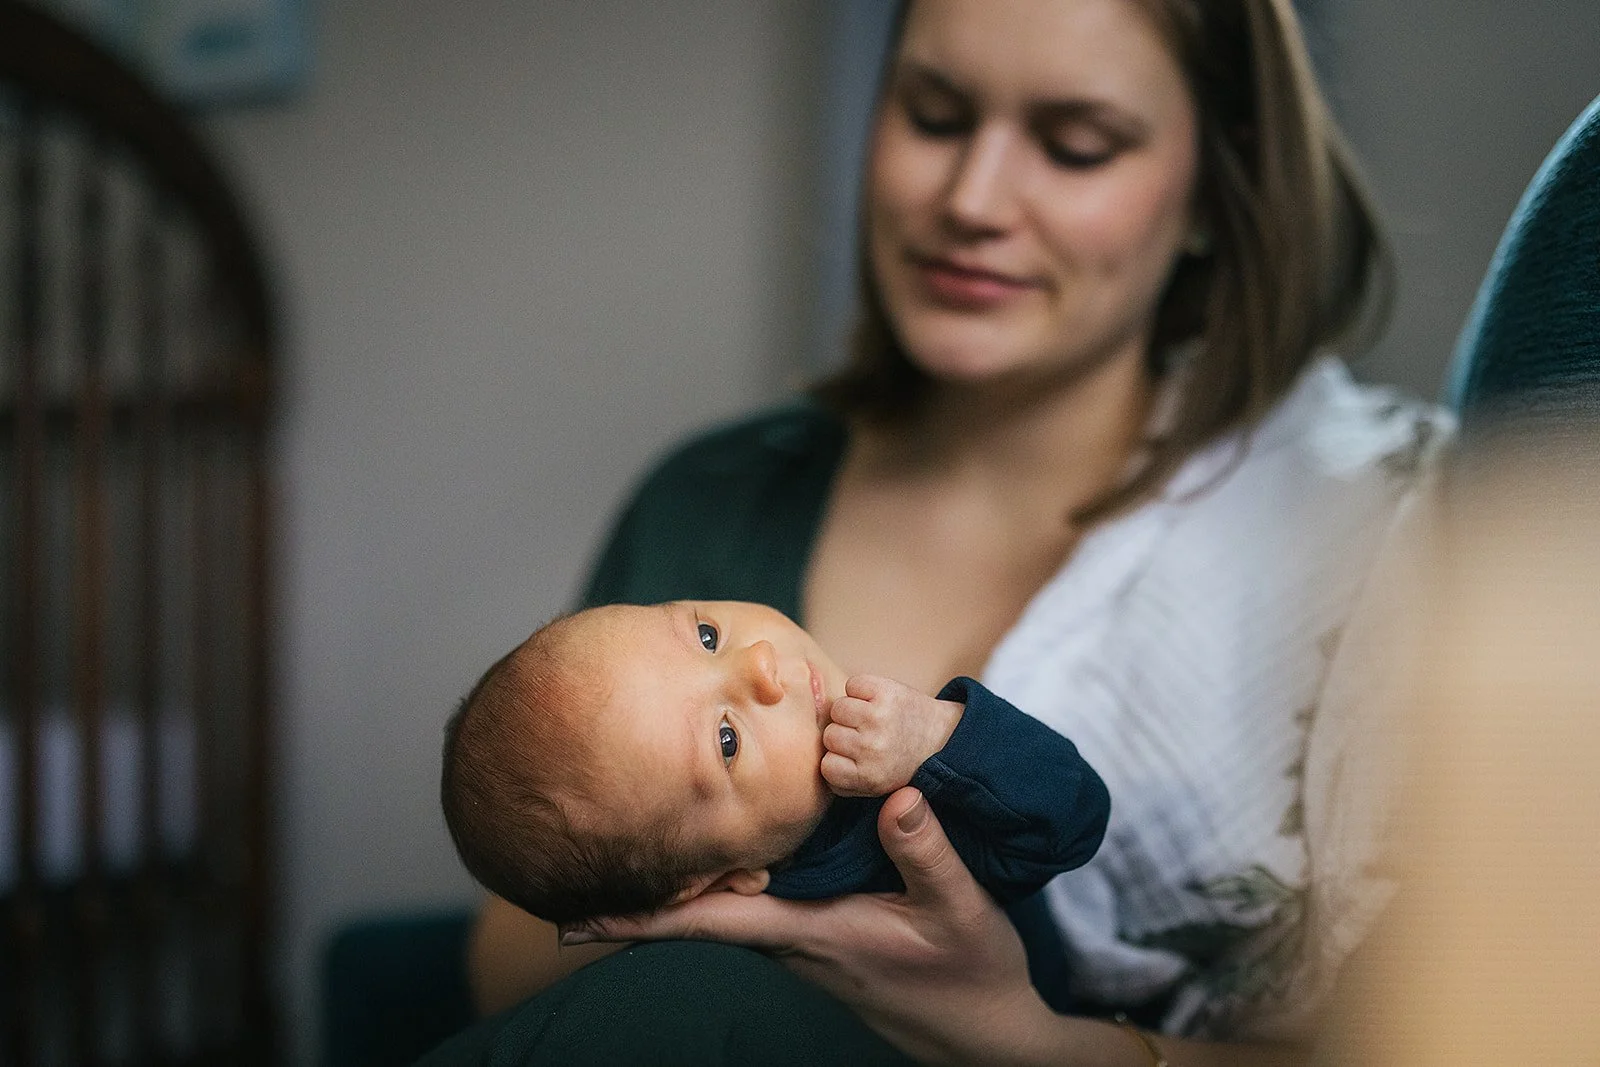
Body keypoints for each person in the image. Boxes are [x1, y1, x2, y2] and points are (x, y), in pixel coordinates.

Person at [456, 0, 1453, 1062]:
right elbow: (521, 950)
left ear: (1215, 182)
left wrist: (1014, 1032)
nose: (972, 200)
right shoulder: (714, 499)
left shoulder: (1389, 531)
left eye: (1075, 147)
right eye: (933, 116)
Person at [440, 600, 1109, 923]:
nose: (758, 662)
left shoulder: (903, 780)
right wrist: (937, 747)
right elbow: (1066, 817)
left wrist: (937, 734)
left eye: (707, 636)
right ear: (720, 877)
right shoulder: (885, 834)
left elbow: (1082, 814)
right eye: (727, 738)